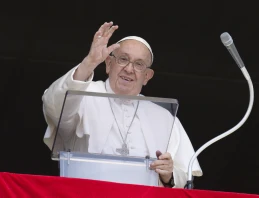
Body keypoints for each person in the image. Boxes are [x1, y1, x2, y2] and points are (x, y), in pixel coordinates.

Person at [42, 21, 202, 188]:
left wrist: (169, 175)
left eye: (139, 64)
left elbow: (186, 175)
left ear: (147, 76)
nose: (129, 69)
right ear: (109, 64)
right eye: (123, 59)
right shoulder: (83, 94)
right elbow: (53, 106)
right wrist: (89, 62)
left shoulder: (164, 117)